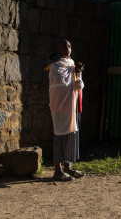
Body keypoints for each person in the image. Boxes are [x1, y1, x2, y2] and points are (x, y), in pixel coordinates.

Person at [47, 39, 85, 181]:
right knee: (60, 136)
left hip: (72, 105)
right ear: (58, 49)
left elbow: (78, 86)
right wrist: (73, 72)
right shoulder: (56, 67)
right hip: (60, 106)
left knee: (71, 134)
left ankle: (68, 166)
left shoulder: (71, 64)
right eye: (64, 46)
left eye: (69, 46)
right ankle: (58, 170)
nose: (67, 48)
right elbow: (59, 86)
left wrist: (77, 73)